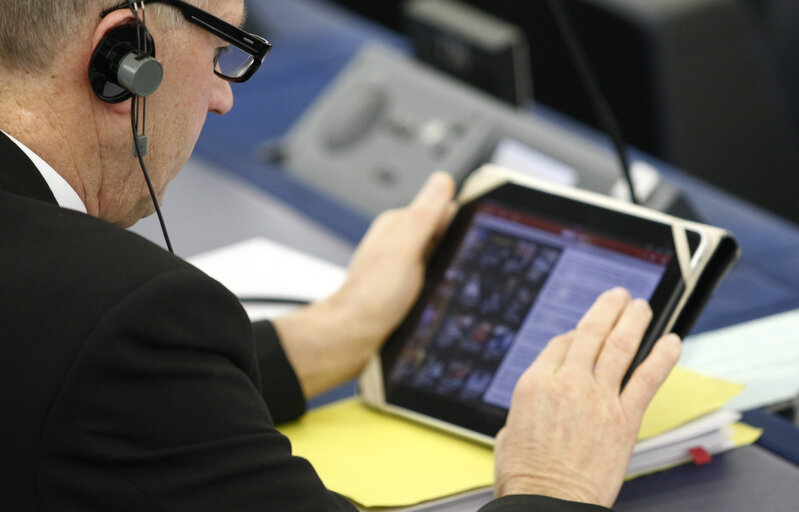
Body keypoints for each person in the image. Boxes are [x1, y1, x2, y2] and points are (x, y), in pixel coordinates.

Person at [0, 0, 682, 510]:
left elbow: (69, 393)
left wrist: (327, 335)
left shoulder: (92, 334)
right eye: (220, 54)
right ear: (121, 58)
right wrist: (550, 482)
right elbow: (100, 368)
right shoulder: (121, 314)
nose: (221, 100)